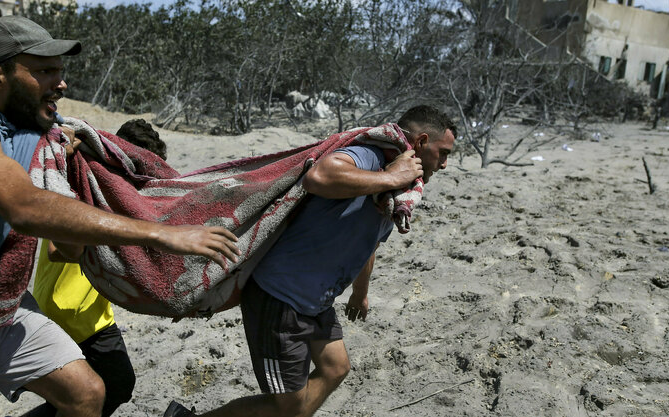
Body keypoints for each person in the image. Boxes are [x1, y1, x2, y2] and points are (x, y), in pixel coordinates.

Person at [0, 16, 239, 417]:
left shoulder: (28, 133)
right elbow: (23, 206)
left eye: (60, 71)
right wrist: (160, 234)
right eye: (43, 71)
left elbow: (46, 148)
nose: (60, 83)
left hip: (2, 310)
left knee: (87, 392)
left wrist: (63, 144)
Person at [165, 105, 456, 417]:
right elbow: (319, 176)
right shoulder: (372, 158)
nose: (444, 164)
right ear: (422, 142)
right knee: (286, 405)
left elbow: (367, 244)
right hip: (280, 297)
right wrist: (390, 176)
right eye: (442, 153)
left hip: (316, 301)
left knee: (335, 369)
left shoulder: (397, 193)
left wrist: (360, 294)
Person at [25, 119, 165, 416]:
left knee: (83, 393)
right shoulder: (84, 188)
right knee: (116, 383)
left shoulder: (99, 190)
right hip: (72, 309)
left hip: (86, 307)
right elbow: (55, 249)